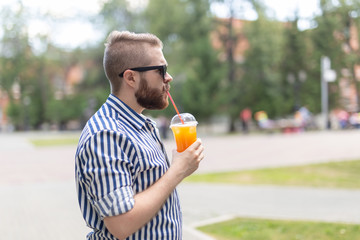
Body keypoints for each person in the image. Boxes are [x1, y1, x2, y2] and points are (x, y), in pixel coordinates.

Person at [75, 30, 205, 240]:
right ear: (131, 77)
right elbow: (121, 223)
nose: (168, 77)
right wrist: (178, 170)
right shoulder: (105, 134)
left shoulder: (145, 125)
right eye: (161, 70)